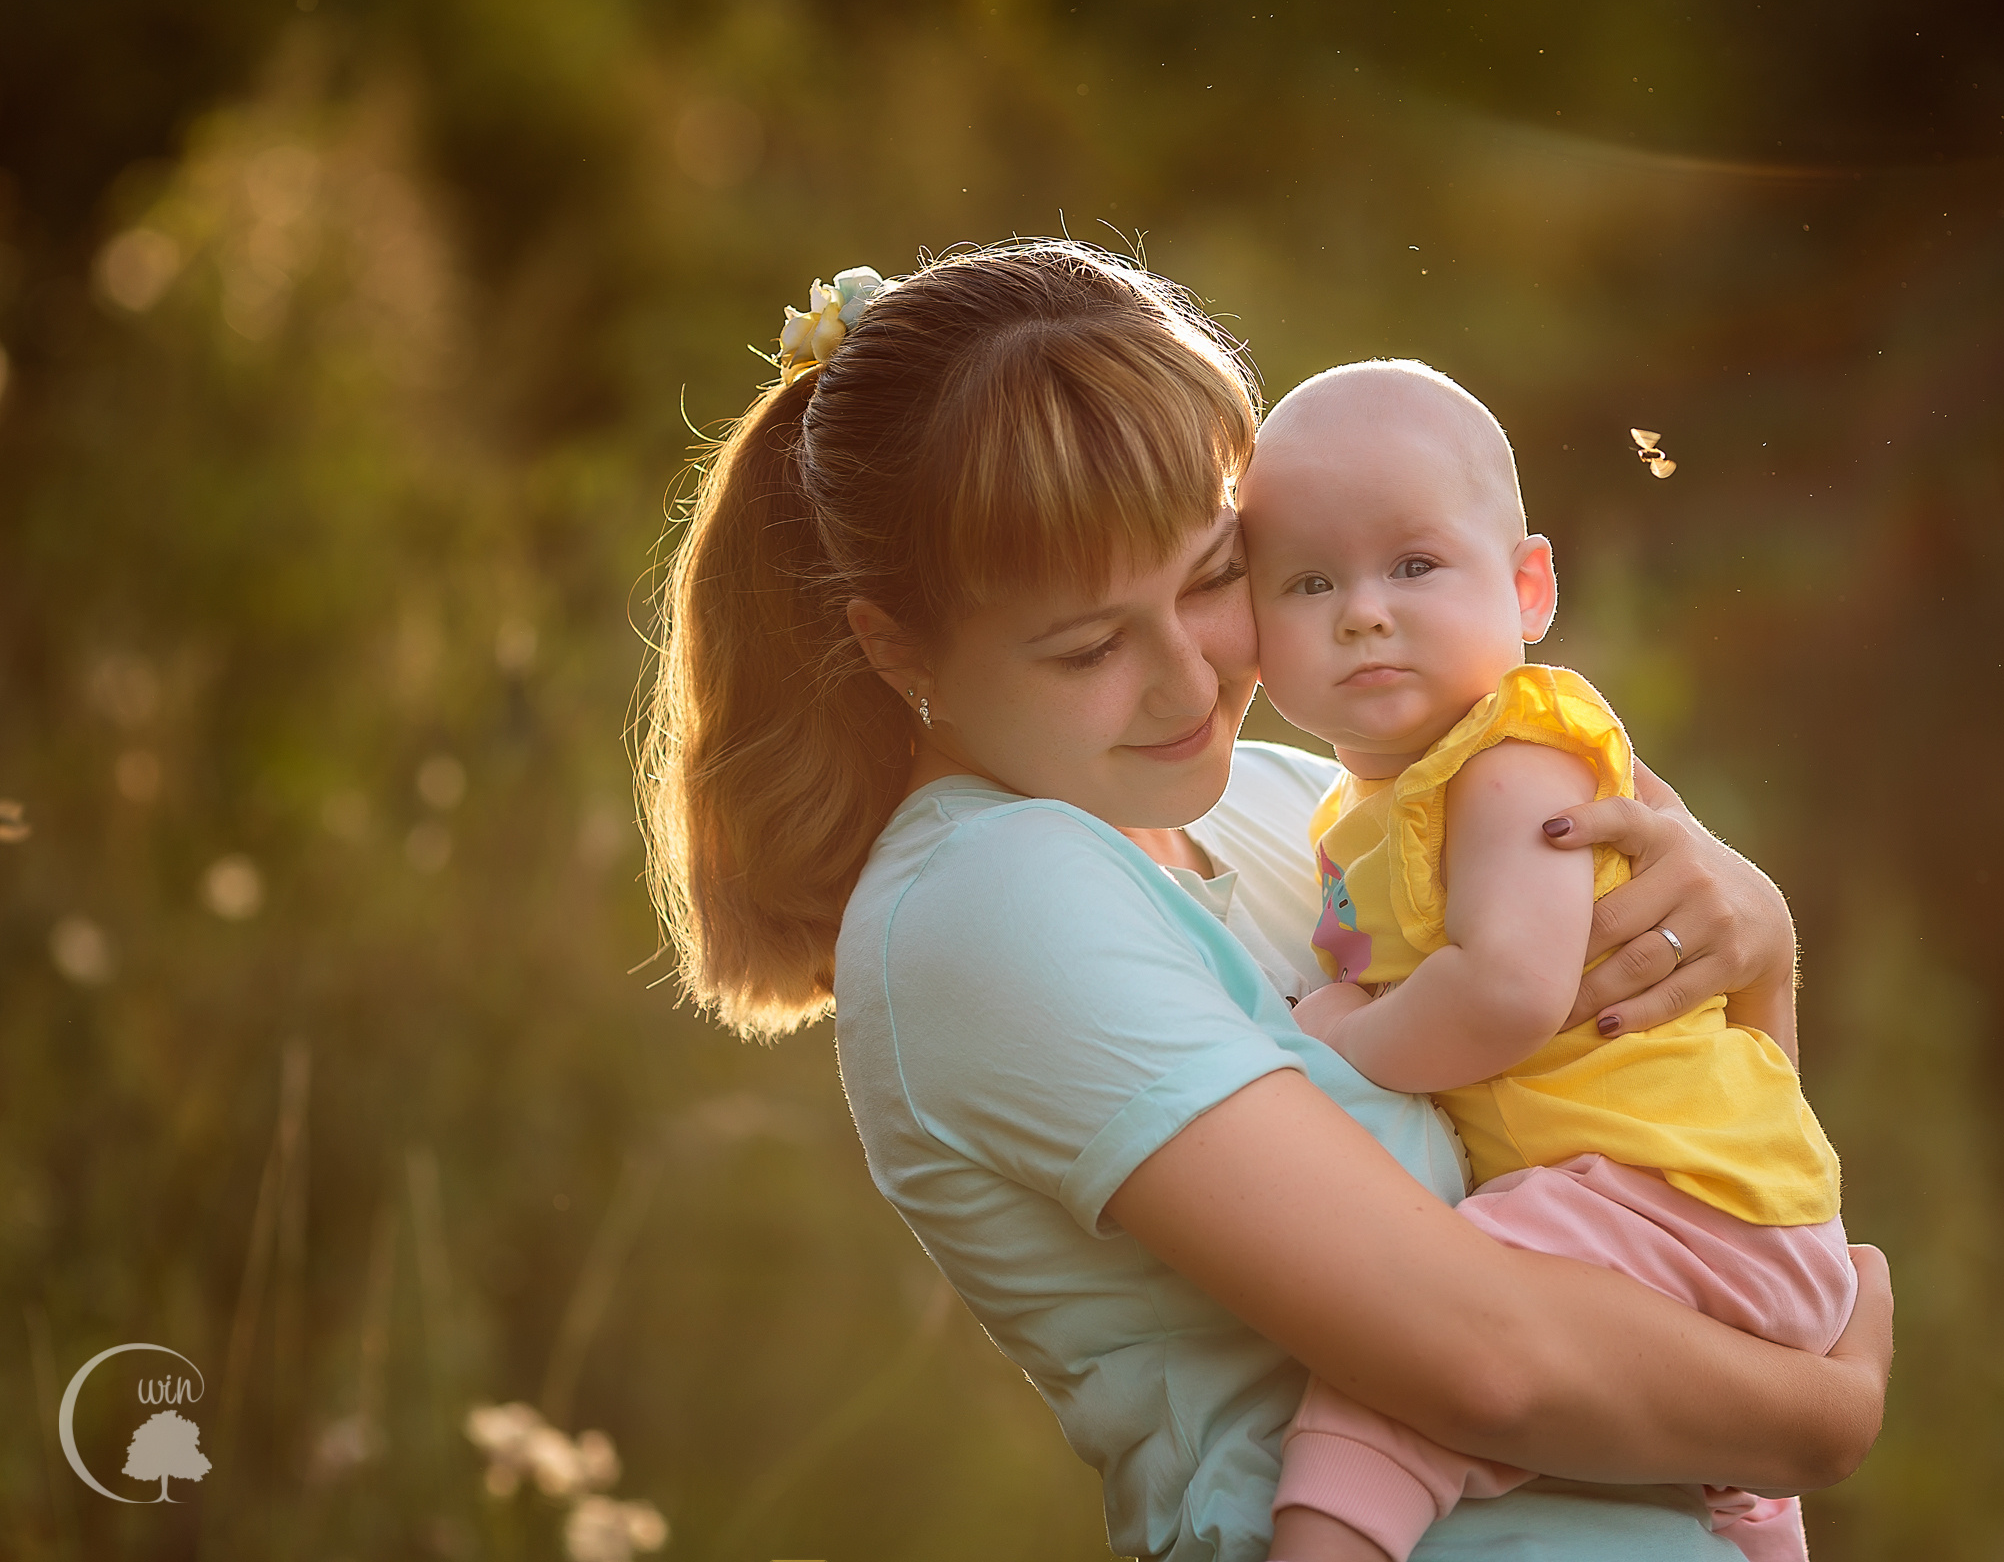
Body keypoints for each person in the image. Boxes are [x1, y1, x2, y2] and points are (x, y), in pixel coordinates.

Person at [638, 240, 1890, 1561]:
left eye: (1212, 578)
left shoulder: (1298, 801)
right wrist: (1822, 1414)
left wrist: (1760, 958)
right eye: (1090, 645)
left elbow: (1696, 1151)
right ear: (895, 649)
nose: (1190, 687)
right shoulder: (982, 899)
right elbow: (1484, 1364)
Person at [1238, 362, 1852, 1562]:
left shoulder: (1514, 758)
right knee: (1720, 1492)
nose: (1363, 609)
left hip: (1681, 1195)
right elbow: (1380, 968)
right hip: (1674, 1197)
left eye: (1414, 565)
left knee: (1403, 1356)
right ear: (1254, 631)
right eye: (1310, 582)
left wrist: (1332, 1045)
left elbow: (1509, 990)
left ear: (1527, 587)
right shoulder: (1354, 815)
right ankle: (1754, 1518)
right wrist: (1352, 998)